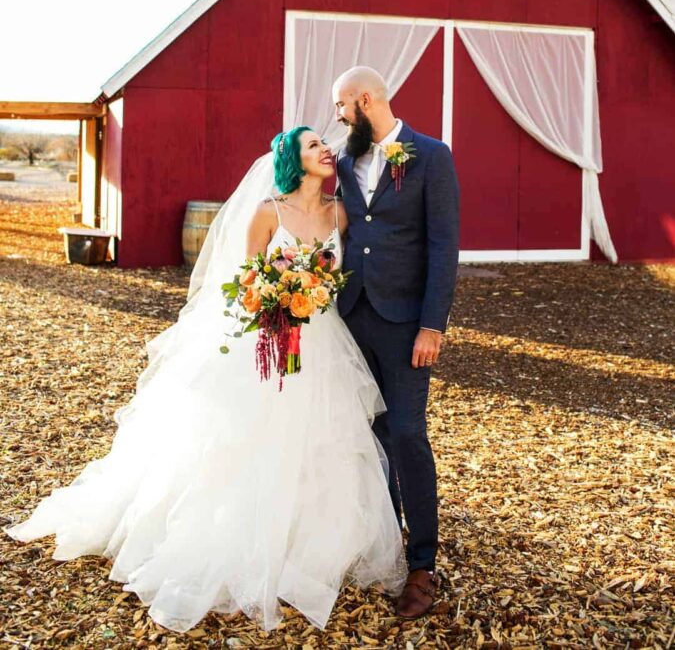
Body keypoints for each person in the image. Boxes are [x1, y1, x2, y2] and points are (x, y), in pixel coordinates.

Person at [4, 127, 407, 634]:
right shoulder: (267, 212)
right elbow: (242, 282)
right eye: (312, 146)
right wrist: (276, 300)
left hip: (321, 342)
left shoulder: (339, 213)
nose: (325, 150)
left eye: (324, 144)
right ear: (292, 160)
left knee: (321, 438)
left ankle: (311, 543)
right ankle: (239, 539)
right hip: (264, 338)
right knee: (247, 440)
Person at [333, 66, 460, 620]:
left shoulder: (431, 155)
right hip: (350, 316)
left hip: (407, 324)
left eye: (342, 105)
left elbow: (443, 246)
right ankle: (383, 546)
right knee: (370, 435)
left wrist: (432, 325)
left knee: (408, 434)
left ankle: (421, 564)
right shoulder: (341, 159)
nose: (337, 116)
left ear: (366, 99)